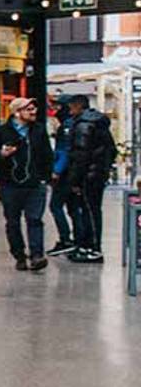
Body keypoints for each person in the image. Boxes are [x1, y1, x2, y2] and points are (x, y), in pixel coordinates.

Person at [0, 96, 53, 272]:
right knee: (13, 222)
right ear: (17, 112)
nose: (34, 112)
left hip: (35, 184)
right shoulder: (1, 132)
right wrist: (2, 154)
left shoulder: (38, 130)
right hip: (10, 184)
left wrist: (45, 177)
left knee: (35, 219)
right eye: (29, 109)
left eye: (34, 108)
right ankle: (19, 255)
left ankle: (37, 255)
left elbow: (47, 154)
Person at [62, 93, 115, 264]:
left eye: (71, 107)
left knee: (89, 211)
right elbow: (111, 150)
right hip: (97, 173)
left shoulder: (83, 125)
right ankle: (88, 246)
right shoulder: (100, 123)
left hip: (87, 175)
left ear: (78, 106)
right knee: (91, 210)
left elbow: (80, 154)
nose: (69, 111)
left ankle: (93, 249)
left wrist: (75, 180)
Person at [48, 101, 77, 255]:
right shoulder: (73, 124)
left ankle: (65, 239)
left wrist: (57, 171)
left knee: (55, 205)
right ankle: (79, 239)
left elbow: (64, 151)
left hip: (65, 174)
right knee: (73, 208)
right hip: (74, 172)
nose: (54, 110)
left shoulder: (66, 127)